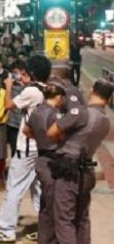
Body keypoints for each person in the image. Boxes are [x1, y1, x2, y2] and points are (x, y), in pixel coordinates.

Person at [0, 55, 50, 243]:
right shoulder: (48, 89)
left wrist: (7, 85)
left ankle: (7, 230)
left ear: (31, 72)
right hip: (42, 148)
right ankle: (45, 229)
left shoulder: (31, 91)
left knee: (14, 188)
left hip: (27, 148)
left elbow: (8, 105)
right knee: (39, 189)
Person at [45, 78, 113, 244]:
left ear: (91, 91)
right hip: (87, 171)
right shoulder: (106, 121)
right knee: (82, 218)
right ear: (109, 98)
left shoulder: (81, 113)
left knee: (64, 219)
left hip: (69, 171)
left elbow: (51, 132)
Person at [22, 83, 65, 244]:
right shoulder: (55, 115)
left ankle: (43, 237)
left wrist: (39, 139)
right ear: (59, 97)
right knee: (54, 203)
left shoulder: (37, 111)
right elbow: (60, 135)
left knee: (45, 203)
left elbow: (26, 130)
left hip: (41, 158)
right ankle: (52, 239)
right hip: (53, 160)